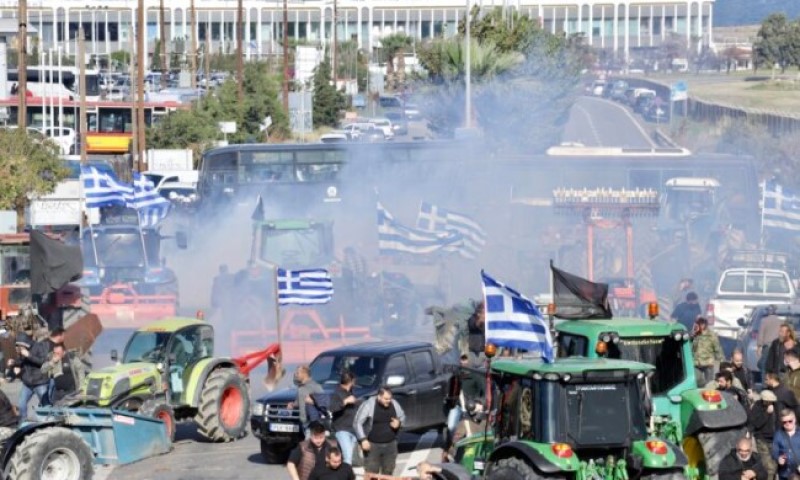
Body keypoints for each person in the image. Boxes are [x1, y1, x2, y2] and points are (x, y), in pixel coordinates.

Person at [354, 387, 406, 476]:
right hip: (372, 445)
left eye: (390, 398)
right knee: (371, 473)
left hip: (391, 444)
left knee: (388, 473)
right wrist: (363, 439)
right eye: (386, 399)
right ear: (379, 396)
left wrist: (399, 423)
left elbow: (403, 417)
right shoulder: (369, 405)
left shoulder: (394, 404)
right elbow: (357, 423)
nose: (388, 401)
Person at [15, 334, 51, 422]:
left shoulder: (39, 347)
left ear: (25, 343)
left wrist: (29, 355)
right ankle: (23, 422)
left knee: (46, 405)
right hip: (27, 383)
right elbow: (20, 362)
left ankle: (49, 421)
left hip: (40, 382)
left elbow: (42, 362)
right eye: (18, 345)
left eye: (20, 345)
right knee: (21, 404)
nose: (19, 347)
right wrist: (15, 364)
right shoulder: (21, 350)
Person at [329, 371, 359, 465]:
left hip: (352, 429)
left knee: (347, 456)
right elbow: (332, 408)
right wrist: (345, 401)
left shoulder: (350, 392)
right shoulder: (337, 393)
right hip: (342, 429)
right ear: (351, 381)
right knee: (348, 457)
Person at [750, 390, 778, 480]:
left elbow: (777, 421)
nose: (770, 403)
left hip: (773, 439)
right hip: (762, 439)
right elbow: (756, 423)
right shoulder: (757, 407)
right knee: (768, 466)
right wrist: (767, 413)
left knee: (774, 464)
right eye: (768, 401)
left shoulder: (774, 406)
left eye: (772, 401)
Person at [288, 365, 323, 436]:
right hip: (304, 423)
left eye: (298, 373)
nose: (296, 375)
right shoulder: (301, 388)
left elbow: (323, 404)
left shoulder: (315, 387)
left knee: (309, 445)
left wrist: (312, 402)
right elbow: (300, 402)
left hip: (313, 423)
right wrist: (293, 404)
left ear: (304, 374)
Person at [692, 317, 724, 386]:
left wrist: (722, 362)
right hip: (697, 364)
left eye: (699, 324)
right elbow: (691, 346)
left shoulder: (711, 335)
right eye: (696, 323)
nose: (697, 325)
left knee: (709, 384)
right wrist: (693, 333)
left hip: (708, 364)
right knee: (697, 382)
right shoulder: (695, 335)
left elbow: (717, 349)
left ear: (703, 325)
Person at [773, 409, 800, 480]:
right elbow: (775, 451)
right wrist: (778, 459)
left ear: (795, 420)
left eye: (790, 421)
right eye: (784, 422)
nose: (787, 423)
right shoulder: (778, 434)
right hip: (784, 474)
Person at [466, 301, 486, 368]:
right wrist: (480, 320)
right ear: (478, 313)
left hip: (483, 353)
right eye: (484, 312)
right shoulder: (472, 319)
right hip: (472, 353)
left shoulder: (487, 322)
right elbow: (473, 325)